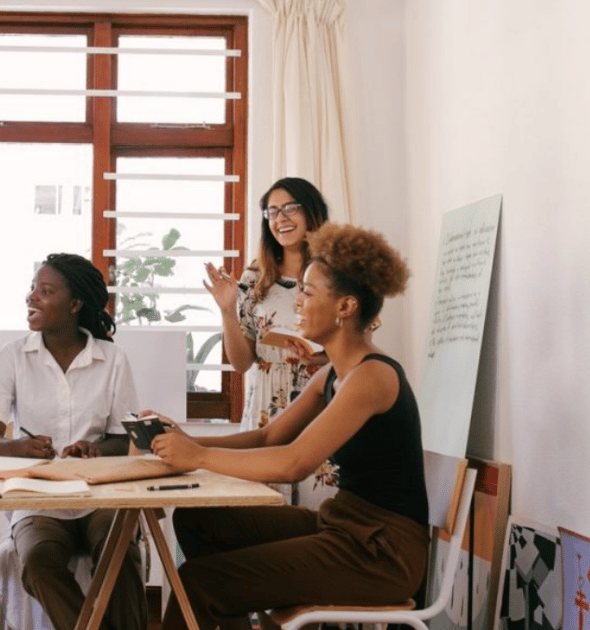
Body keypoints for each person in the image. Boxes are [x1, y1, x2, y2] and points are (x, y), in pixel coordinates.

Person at [150, 223, 428, 630]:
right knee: (197, 521)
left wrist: (200, 457)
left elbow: (293, 463)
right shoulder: (334, 373)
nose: (297, 301)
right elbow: (268, 436)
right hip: (343, 526)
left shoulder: (373, 377)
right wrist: (183, 439)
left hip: (379, 553)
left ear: (346, 307)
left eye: (308, 292)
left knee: (199, 583)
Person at [0, 253, 147, 630]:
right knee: (38, 562)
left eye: (46, 291)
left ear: (74, 304)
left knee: (121, 554)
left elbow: (125, 440)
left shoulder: (112, 359)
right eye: (33, 288)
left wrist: (95, 449)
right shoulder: (11, 357)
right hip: (39, 501)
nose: (31, 297)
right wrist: (19, 447)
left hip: (99, 496)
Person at [203, 177, 329, 430]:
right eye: (272, 212)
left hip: (319, 405)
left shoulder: (337, 272)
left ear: (312, 212)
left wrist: (319, 359)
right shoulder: (255, 276)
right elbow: (241, 364)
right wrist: (227, 311)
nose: (280, 218)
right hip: (264, 412)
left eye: (290, 208)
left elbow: (360, 352)